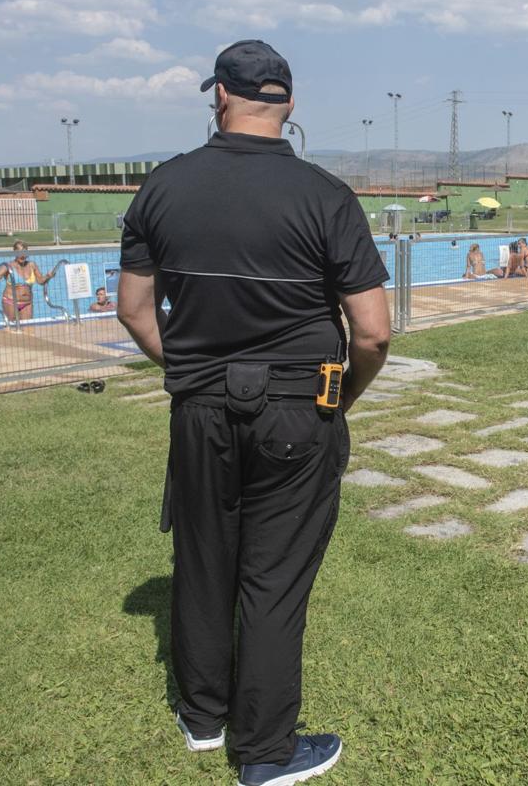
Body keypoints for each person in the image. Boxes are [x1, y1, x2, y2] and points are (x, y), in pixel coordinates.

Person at [116, 40, 390, 785]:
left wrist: (194, 373)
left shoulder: (163, 188)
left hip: (200, 407)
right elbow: (373, 330)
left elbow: (135, 311)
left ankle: (203, 717)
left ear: (220, 98)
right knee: (272, 580)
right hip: (300, 407)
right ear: (290, 105)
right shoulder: (327, 195)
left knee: (204, 560)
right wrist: (341, 399)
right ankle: (265, 753)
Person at [0, 240, 57, 322]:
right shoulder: (8, 265)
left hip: (27, 303)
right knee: (11, 329)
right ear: (14, 252)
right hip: (10, 302)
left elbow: (40, 281)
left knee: (29, 328)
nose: (23, 255)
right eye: (20, 252)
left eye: (24, 252)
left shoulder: (32, 265)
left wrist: (48, 276)